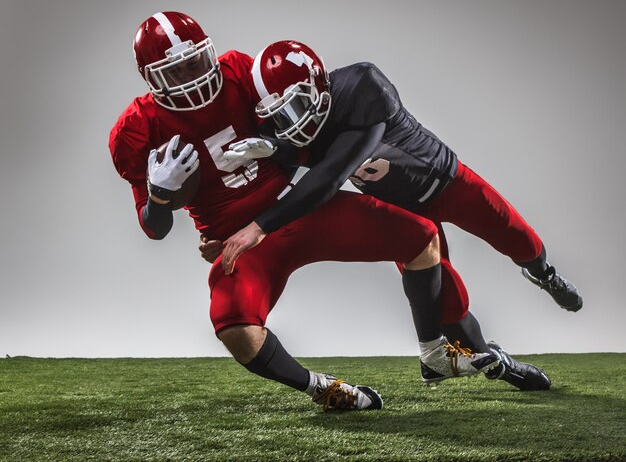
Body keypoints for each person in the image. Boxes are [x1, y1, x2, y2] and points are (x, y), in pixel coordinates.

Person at [109, 12, 499, 412]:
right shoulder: (135, 129)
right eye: (178, 69)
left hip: (297, 206)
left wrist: (278, 167)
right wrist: (158, 196)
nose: (194, 74)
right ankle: (323, 389)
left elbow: (300, 145)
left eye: (197, 60)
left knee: (422, 236)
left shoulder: (240, 71)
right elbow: (154, 229)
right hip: (239, 242)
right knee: (235, 329)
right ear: (151, 78)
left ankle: (433, 352)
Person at [215, 40, 584, 391]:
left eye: (296, 107)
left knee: (520, 239)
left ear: (319, 86)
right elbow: (268, 185)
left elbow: (328, 176)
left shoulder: (363, 85)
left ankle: (544, 275)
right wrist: (224, 225)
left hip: (446, 181)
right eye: (280, 116)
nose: (291, 123)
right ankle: (500, 365)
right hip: (402, 210)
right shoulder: (284, 131)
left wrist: (260, 218)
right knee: (450, 311)